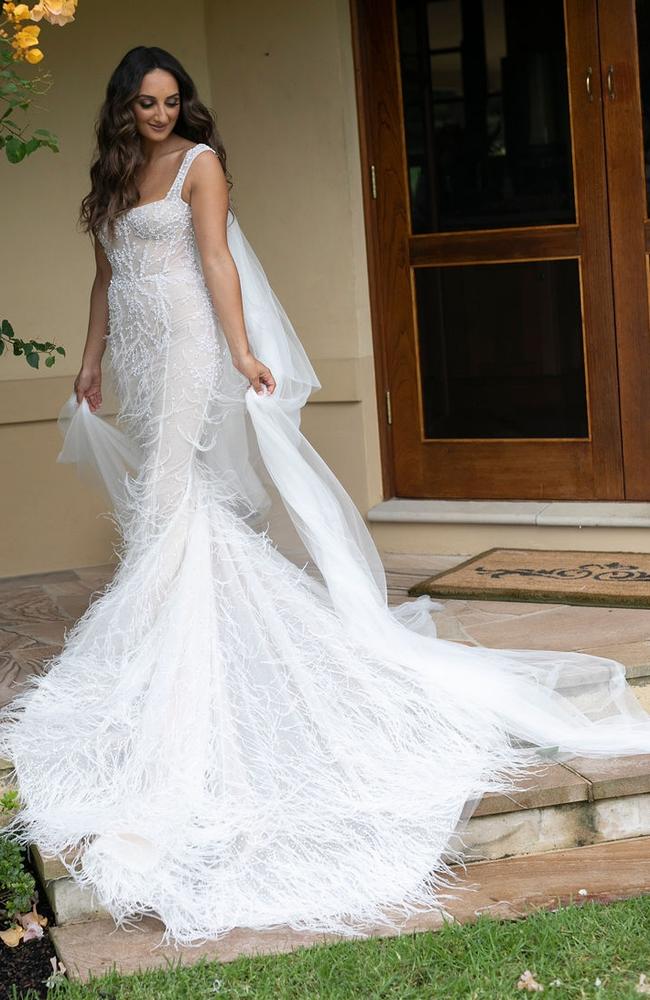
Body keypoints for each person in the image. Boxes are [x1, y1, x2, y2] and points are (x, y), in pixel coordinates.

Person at [2, 45, 650, 951]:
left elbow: (218, 262)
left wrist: (235, 351)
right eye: (146, 103)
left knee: (167, 506)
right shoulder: (115, 175)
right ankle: (177, 646)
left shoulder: (200, 163)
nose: (159, 114)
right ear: (123, 107)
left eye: (171, 100)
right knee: (172, 515)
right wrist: (92, 358)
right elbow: (107, 276)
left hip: (192, 344)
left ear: (184, 106)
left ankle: (157, 668)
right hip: (142, 355)